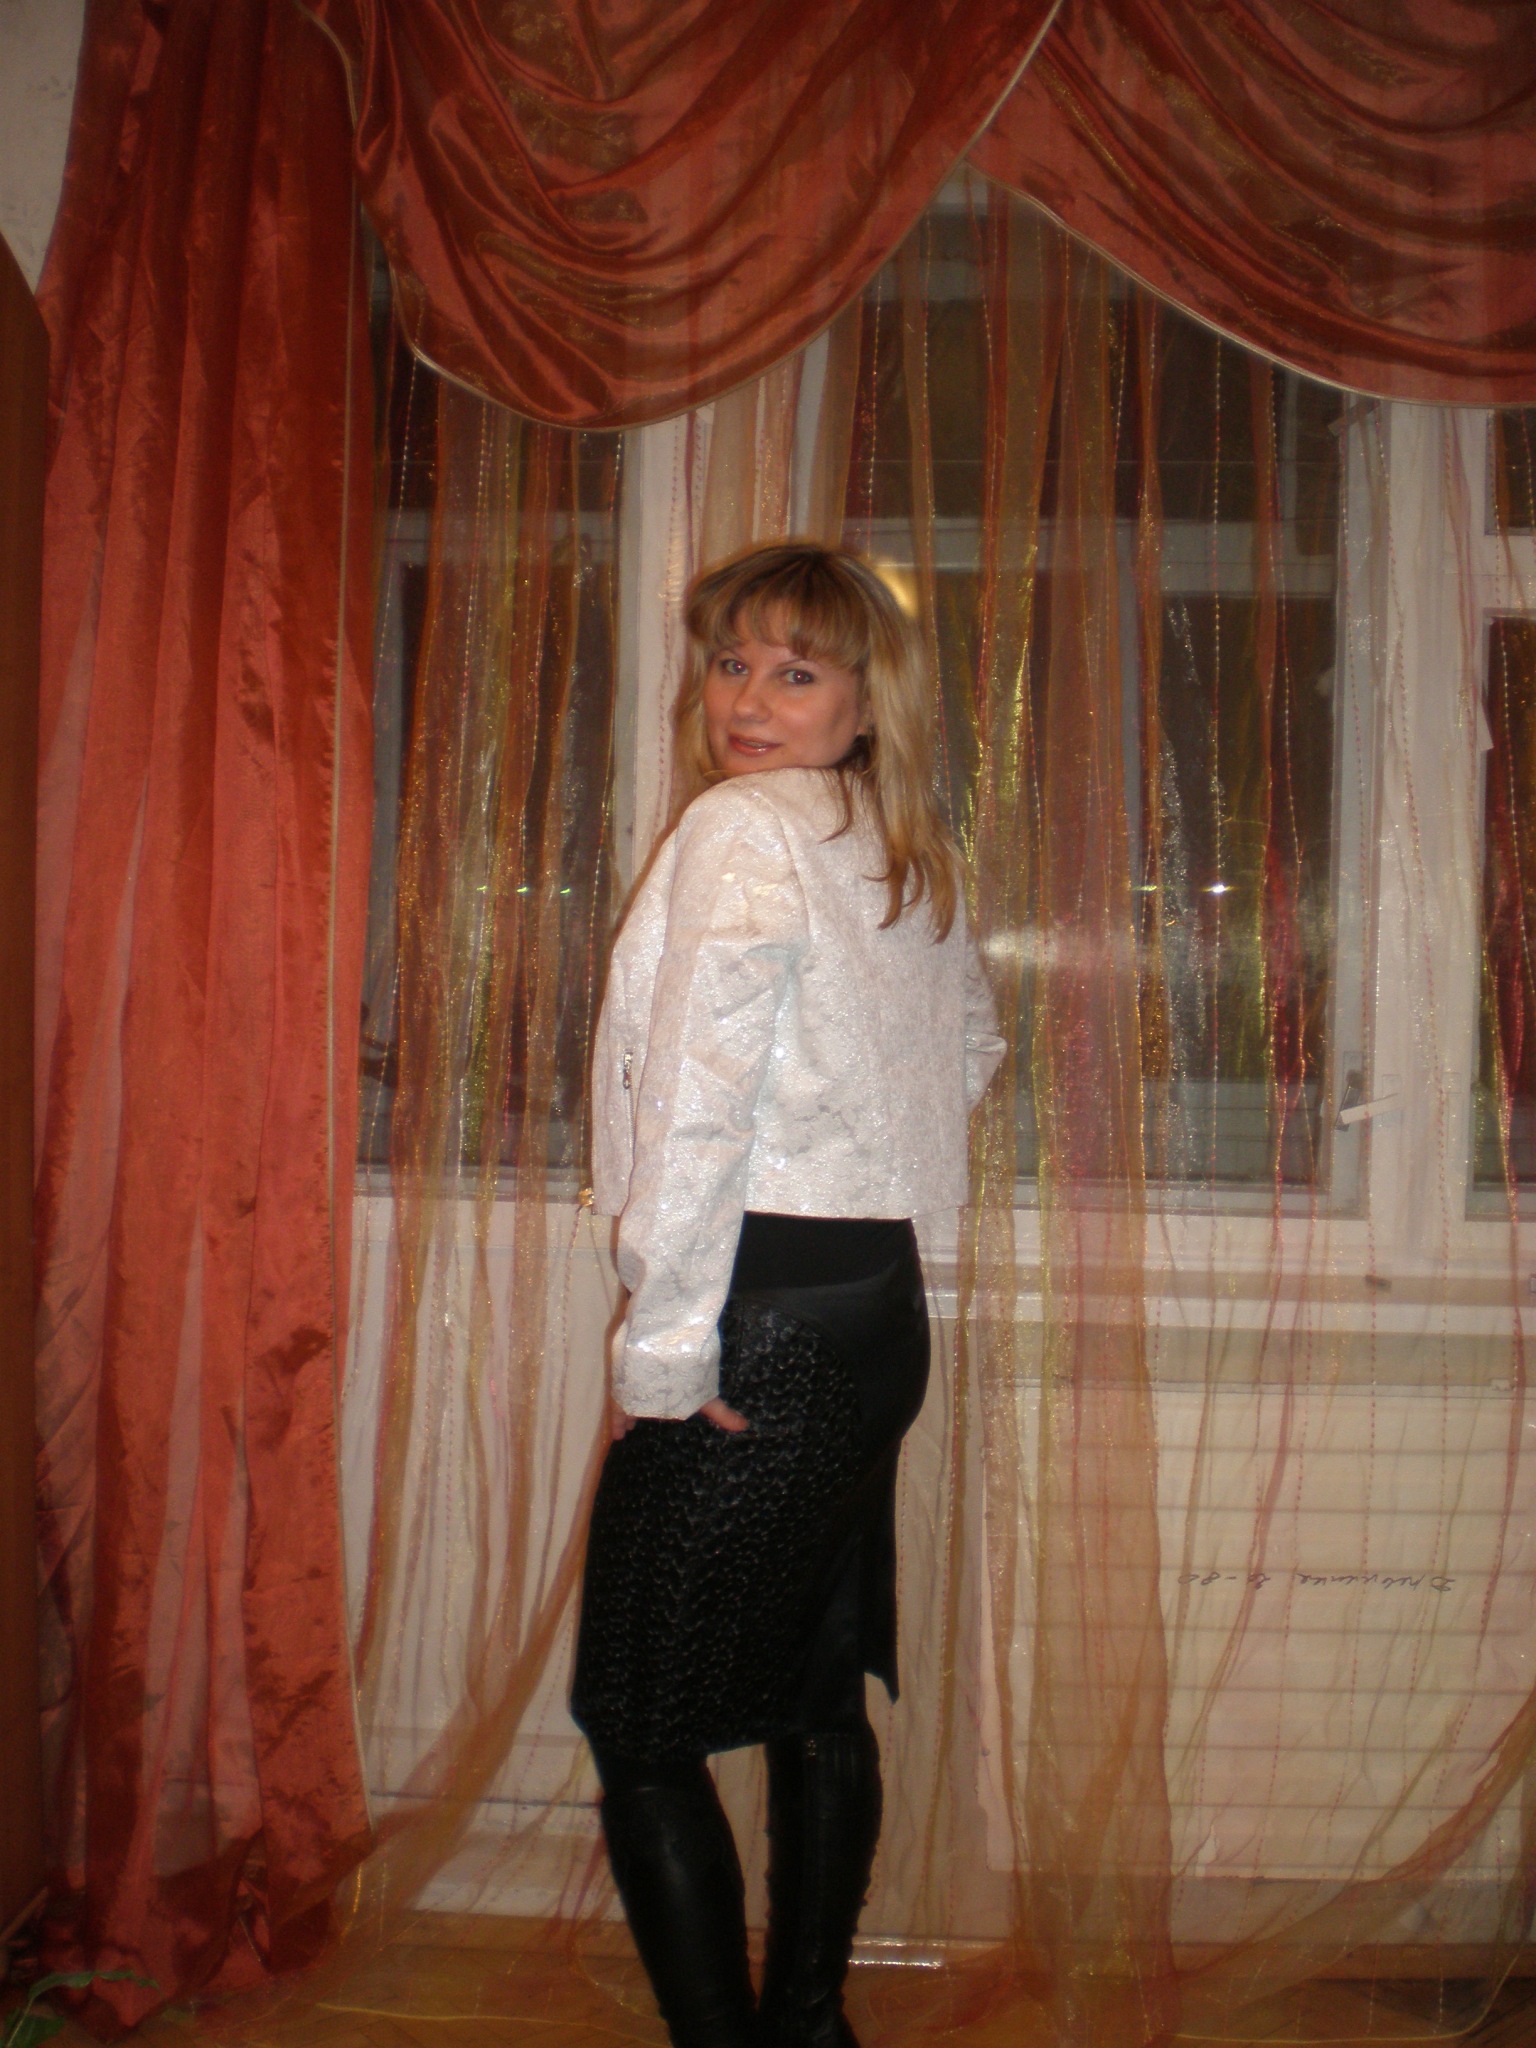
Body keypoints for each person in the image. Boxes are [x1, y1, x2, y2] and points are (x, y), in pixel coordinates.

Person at [573, 543, 1003, 2048]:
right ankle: (809, 2027)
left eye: (795, 671)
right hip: (873, 1309)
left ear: (866, 702)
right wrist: (854, 1149)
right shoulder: (892, 839)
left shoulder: (743, 827)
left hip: (757, 1314)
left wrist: (664, 1356)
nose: (748, 699)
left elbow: (697, 1108)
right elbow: (972, 1050)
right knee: (815, 1691)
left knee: (639, 1719)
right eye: (731, 662)